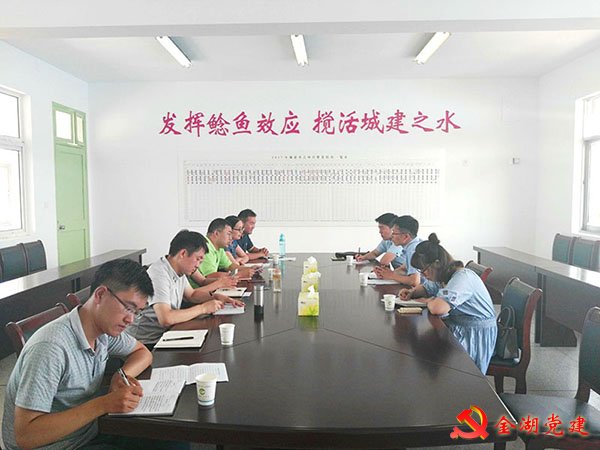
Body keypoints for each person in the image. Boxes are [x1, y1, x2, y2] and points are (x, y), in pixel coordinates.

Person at [1, 259, 164, 450]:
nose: (131, 320)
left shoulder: (103, 331)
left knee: (170, 439)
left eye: (137, 312)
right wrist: (103, 404)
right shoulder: (51, 347)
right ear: (100, 294)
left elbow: (142, 352)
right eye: (128, 308)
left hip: (88, 430)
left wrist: (121, 375)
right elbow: (26, 436)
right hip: (57, 445)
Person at [398, 233, 497, 374]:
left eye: (424, 270)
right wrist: (412, 293)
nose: (423, 274)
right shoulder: (444, 275)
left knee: (437, 365)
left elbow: (438, 308)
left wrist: (430, 300)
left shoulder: (462, 278)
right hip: (458, 326)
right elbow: (428, 288)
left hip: (473, 333)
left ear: (437, 263)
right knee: (420, 351)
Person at [127, 230, 243, 345]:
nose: (198, 265)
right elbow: (166, 318)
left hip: (166, 334)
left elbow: (191, 295)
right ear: (183, 253)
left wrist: (216, 297)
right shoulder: (159, 273)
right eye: (198, 259)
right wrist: (203, 308)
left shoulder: (178, 270)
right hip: (147, 342)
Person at [374, 215, 423, 287]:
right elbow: (403, 269)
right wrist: (384, 273)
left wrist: (391, 275)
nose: (392, 236)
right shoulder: (412, 245)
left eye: (394, 233)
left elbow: (414, 281)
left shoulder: (413, 250)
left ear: (405, 236)